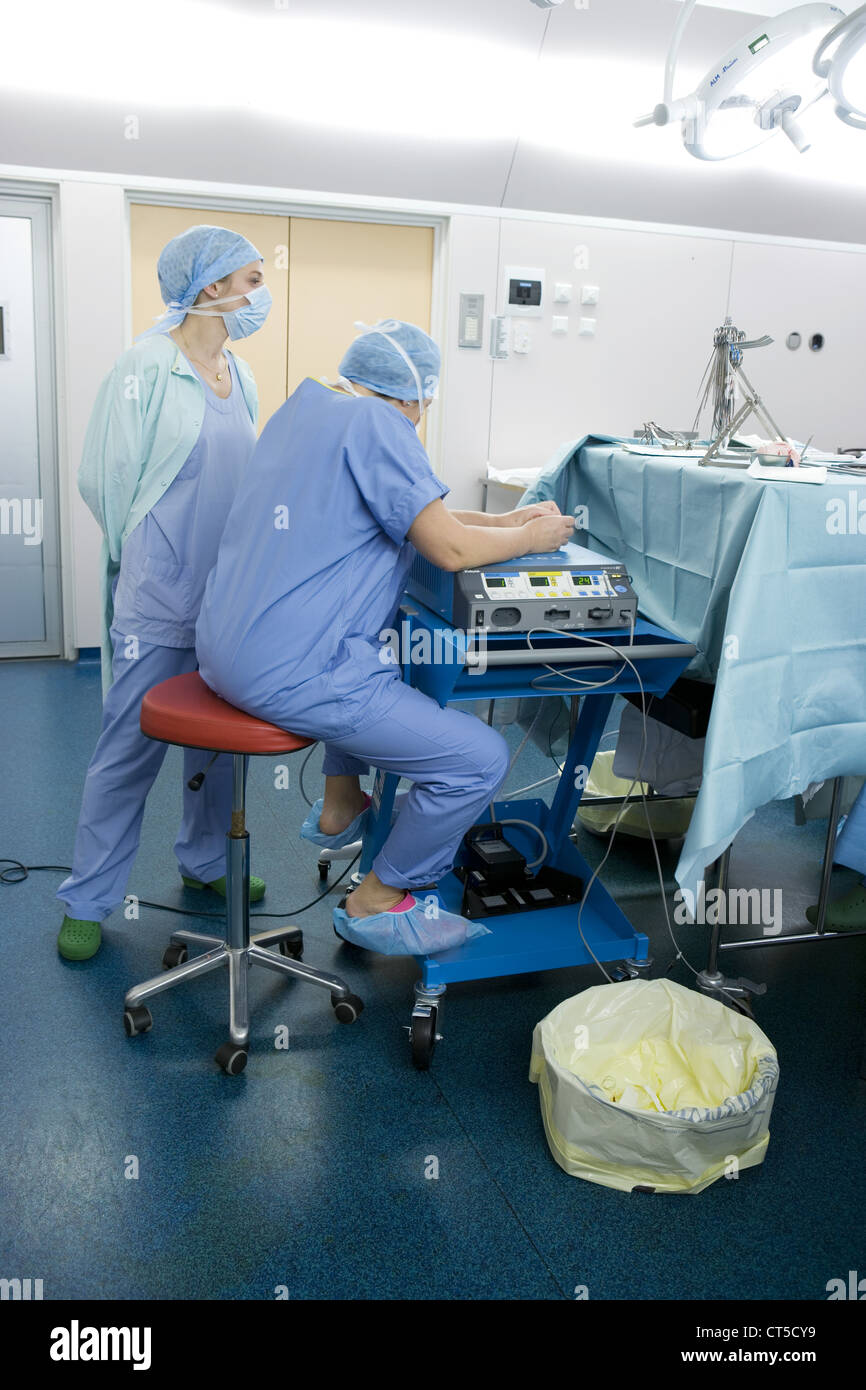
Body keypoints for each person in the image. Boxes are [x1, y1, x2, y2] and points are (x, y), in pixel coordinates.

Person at [196, 319, 574, 953]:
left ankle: (340, 804)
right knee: (477, 760)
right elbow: (448, 546)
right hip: (296, 671)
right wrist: (529, 539)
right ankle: (377, 898)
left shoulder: (309, 410)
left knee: (379, 652)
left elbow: (416, 512)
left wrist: (505, 520)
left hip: (228, 650)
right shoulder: (381, 426)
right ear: (413, 392)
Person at [57, 225, 272, 961]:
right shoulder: (143, 368)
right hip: (157, 597)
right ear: (211, 288)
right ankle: (87, 897)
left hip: (224, 602)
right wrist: (148, 559)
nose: (258, 293)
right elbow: (104, 478)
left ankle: (207, 860)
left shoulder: (238, 376)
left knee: (214, 746)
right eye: (250, 279)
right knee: (129, 748)